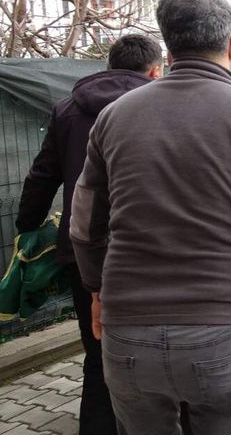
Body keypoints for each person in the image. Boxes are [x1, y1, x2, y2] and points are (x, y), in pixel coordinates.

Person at [69, 0, 231, 435]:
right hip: (222, 336)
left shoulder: (113, 117)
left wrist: (97, 290)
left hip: (127, 336)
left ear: (169, 46)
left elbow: (83, 225)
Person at [15, 34, 162, 435]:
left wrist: (27, 226)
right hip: (148, 252)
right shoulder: (162, 107)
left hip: (83, 252)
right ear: (154, 70)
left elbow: (43, 175)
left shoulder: (67, 109)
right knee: (153, 351)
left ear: (108, 66)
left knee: (98, 354)